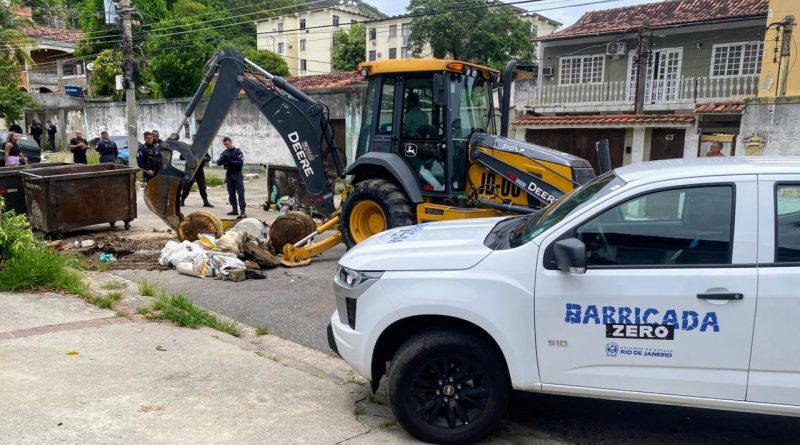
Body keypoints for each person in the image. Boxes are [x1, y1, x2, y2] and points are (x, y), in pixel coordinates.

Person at [216, 136, 246, 218]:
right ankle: (234, 210)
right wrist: (222, 159)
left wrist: (231, 161)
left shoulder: (237, 151)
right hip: (229, 174)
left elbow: (240, 163)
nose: (226, 146)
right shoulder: (225, 152)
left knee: (240, 193)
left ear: (231, 142)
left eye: (227, 144)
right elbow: (218, 163)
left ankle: (242, 211)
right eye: (225, 145)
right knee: (231, 193)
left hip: (237, 173)